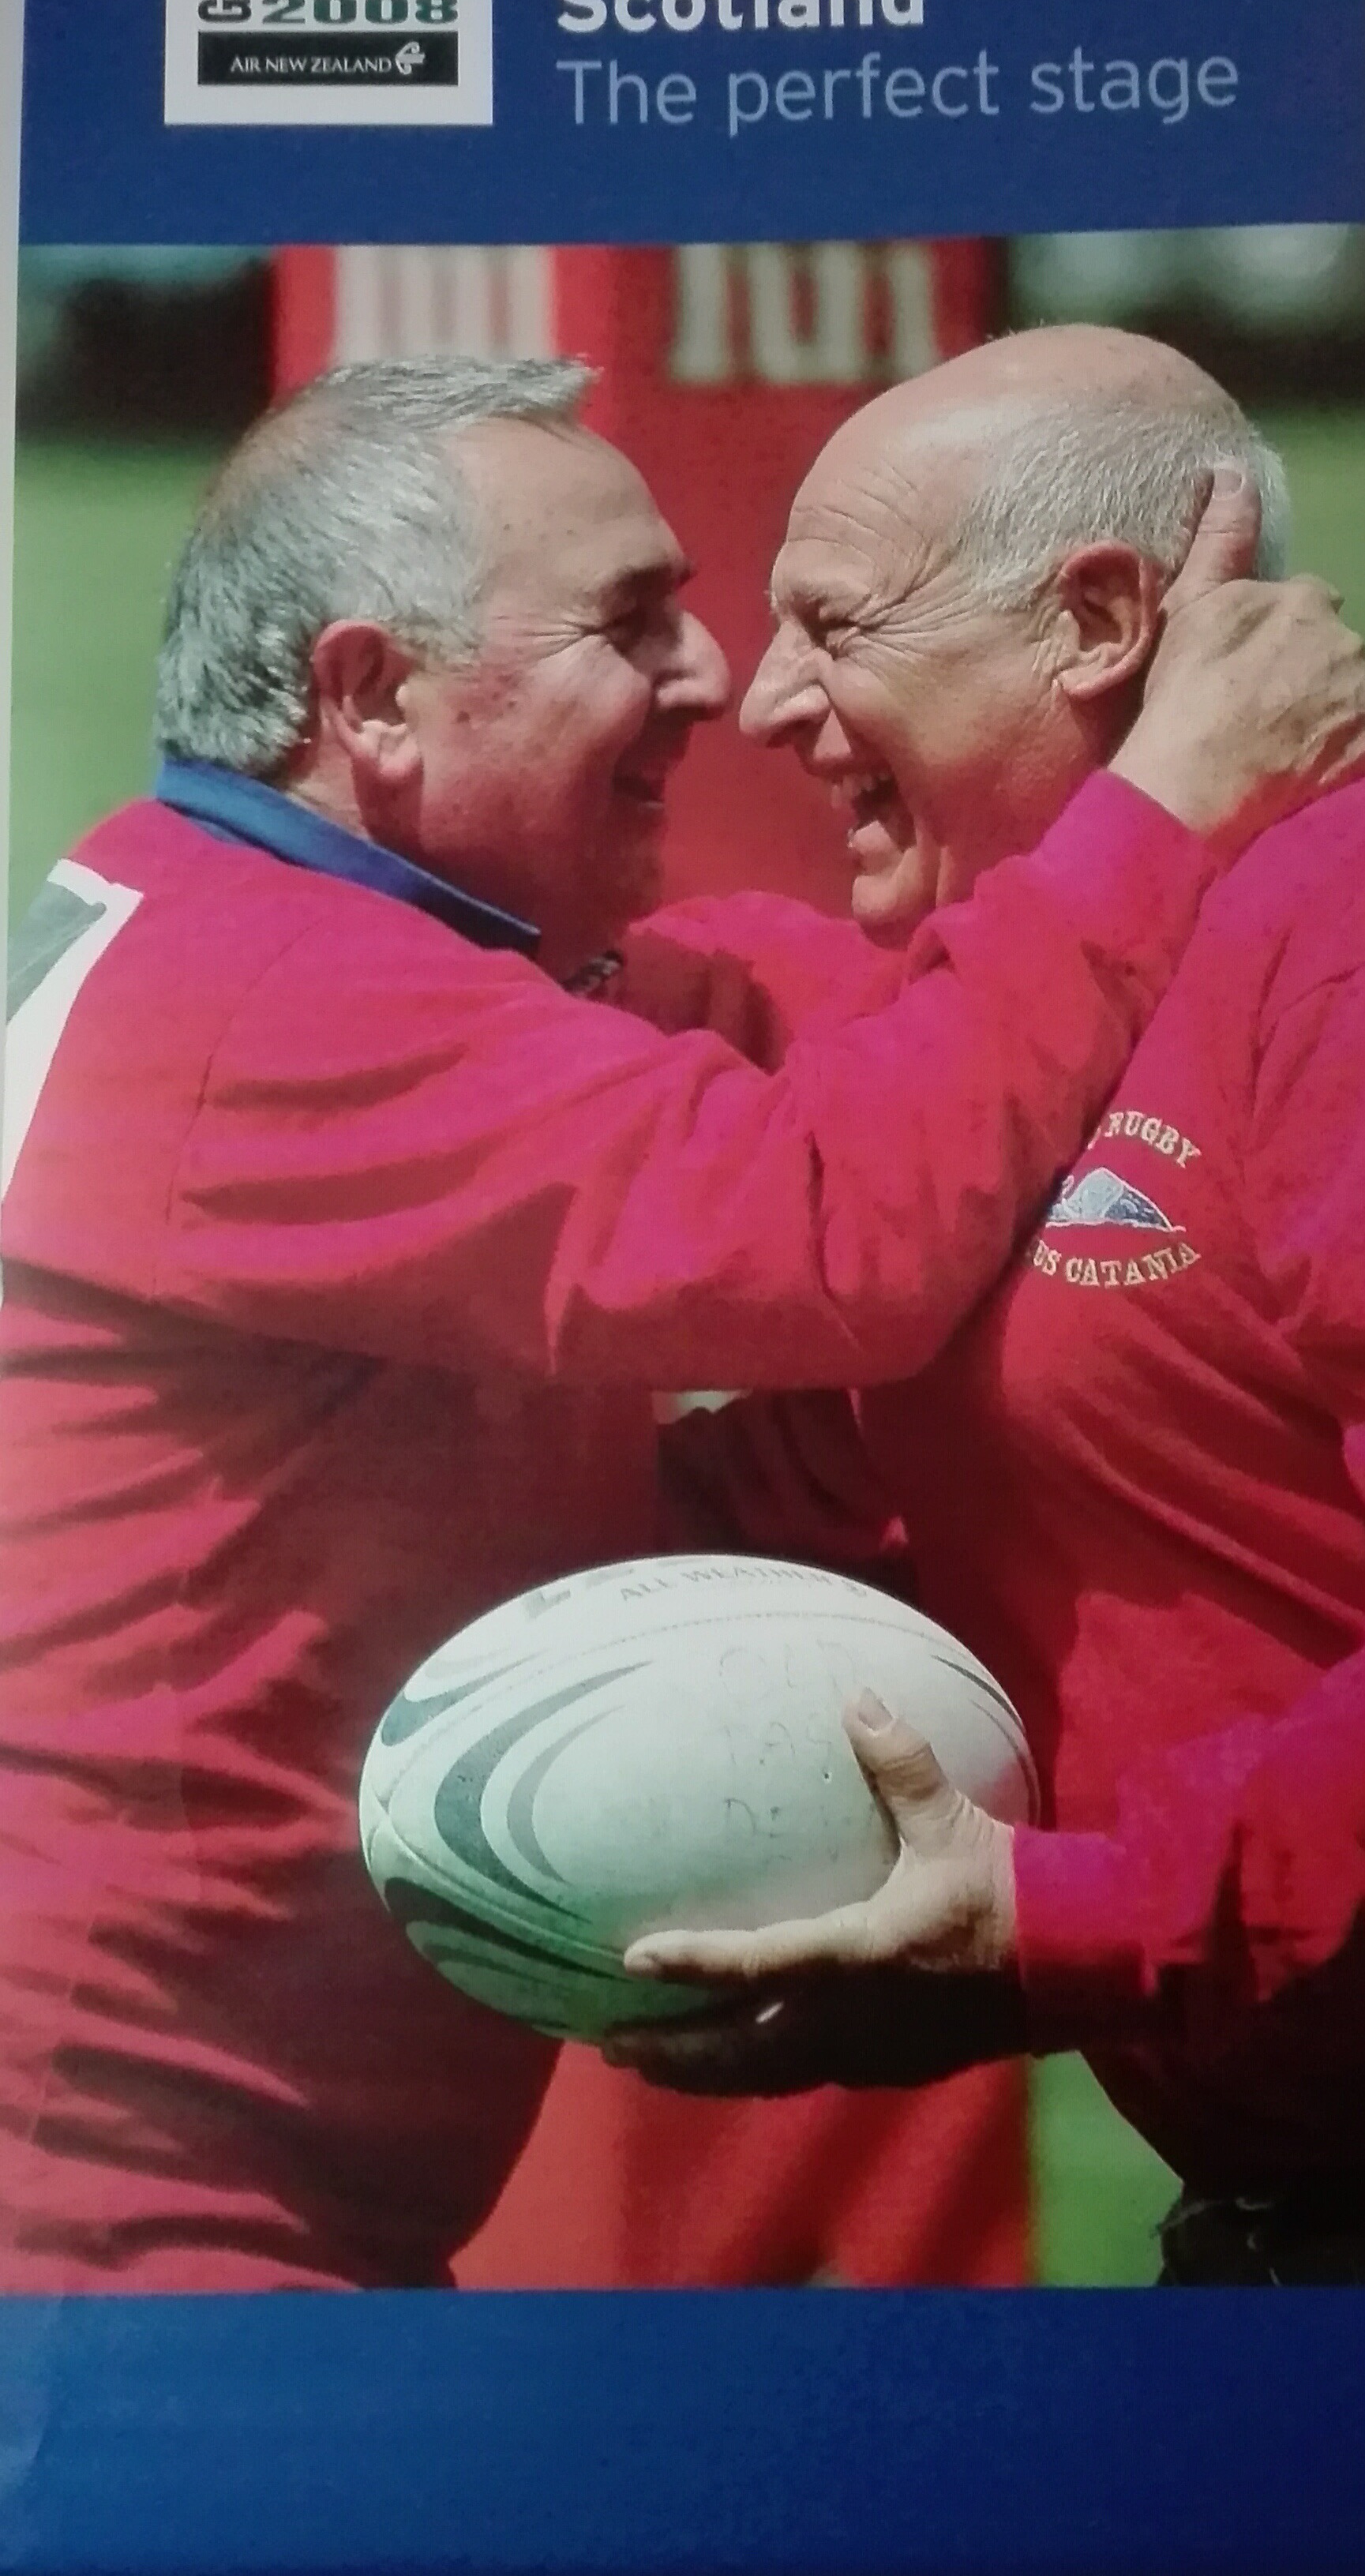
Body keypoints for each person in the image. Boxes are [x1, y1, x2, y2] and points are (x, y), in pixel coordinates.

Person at [0, 353, 1352, 2293]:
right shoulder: (266, 996)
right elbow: (838, 1221)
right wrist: (1163, 799)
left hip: (206, 2188)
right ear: (371, 694)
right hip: (121, 2217)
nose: (724, 683)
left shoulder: (322, 942)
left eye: (820, 623)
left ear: (1096, 619)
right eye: (631, 623)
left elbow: (920, 1080)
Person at [598, 324, 1365, 2286]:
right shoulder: (999, 1000)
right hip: (1272, 2230)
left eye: (836, 623)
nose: (766, 696)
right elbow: (852, 1464)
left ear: (1095, 620)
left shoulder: (1337, 928)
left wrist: (1062, 1922)